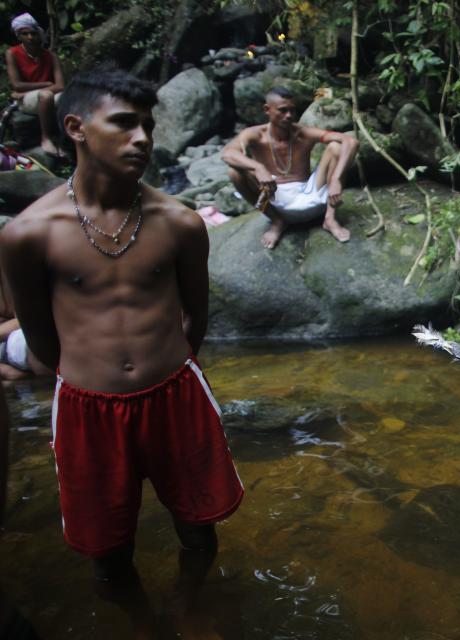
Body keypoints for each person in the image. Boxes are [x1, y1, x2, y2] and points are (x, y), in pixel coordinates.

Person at [0, 67, 244, 636]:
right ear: (76, 127)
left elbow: (195, 316)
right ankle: (140, 624)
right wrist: (93, 373)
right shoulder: (27, 235)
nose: (143, 138)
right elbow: (39, 338)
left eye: (148, 126)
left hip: (176, 395)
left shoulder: (180, 223)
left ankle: (186, 600)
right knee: (105, 552)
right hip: (89, 407)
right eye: (125, 124)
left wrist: (167, 367)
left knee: (200, 527)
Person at [222, 86, 359, 248]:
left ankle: (330, 219)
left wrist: (336, 179)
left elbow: (351, 141)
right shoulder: (254, 135)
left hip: (311, 196)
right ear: (267, 110)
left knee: (336, 147)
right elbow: (227, 154)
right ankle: (277, 222)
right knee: (234, 172)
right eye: (282, 110)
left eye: (292, 111)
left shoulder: (304, 133)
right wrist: (258, 167)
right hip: (275, 200)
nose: (289, 116)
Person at [4, 13, 64, 155]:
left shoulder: (50, 55)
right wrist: (47, 83)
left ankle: (65, 140)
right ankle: (46, 138)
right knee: (46, 95)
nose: (30, 37)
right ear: (19, 36)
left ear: (38, 34)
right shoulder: (12, 53)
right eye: (25, 34)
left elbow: (61, 86)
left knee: (65, 97)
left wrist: (23, 92)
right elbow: (17, 85)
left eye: (33, 33)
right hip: (31, 100)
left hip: (36, 95)